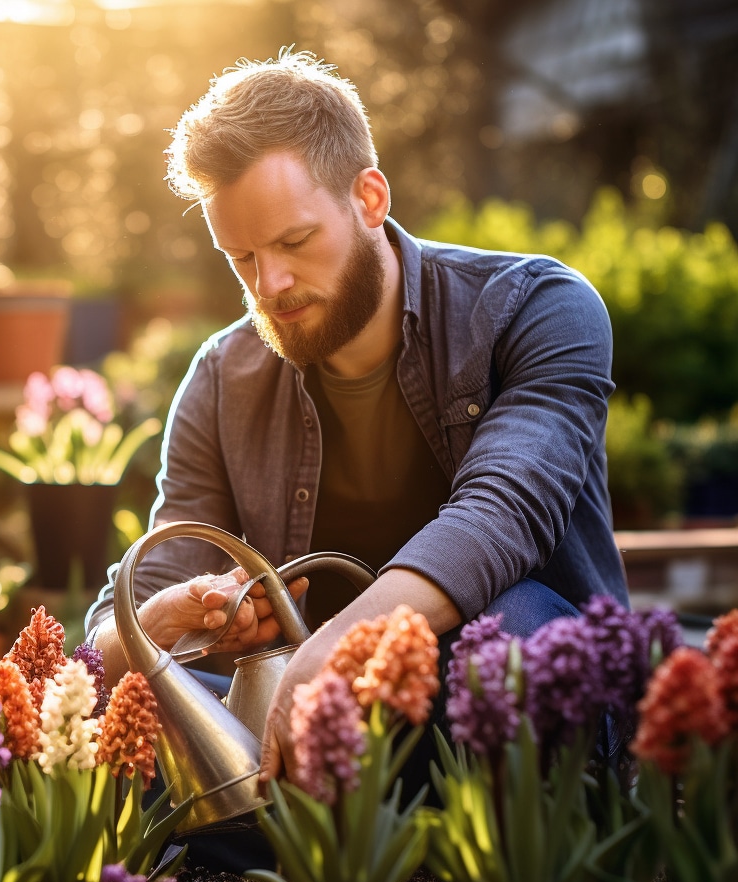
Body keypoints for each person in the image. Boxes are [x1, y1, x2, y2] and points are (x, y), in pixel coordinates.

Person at [85, 49, 629, 799]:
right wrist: (165, 620)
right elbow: (106, 644)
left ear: (369, 198)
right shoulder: (221, 377)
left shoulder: (535, 309)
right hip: (307, 740)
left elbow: (504, 513)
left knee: (513, 629)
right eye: (240, 258)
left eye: (294, 243)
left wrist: (340, 641)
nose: (269, 285)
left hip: (499, 722)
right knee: (122, 725)